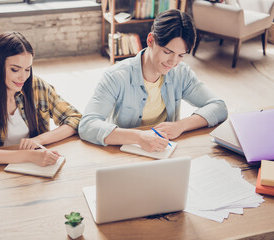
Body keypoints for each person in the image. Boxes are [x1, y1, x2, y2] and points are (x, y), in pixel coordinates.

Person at [78, 9, 227, 152]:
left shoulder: (181, 72)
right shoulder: (116, 76)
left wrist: (180, 125)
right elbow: (87, 125)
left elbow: (218, 106)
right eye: (167, 52)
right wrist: (139, 137)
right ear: (150, 40)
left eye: (181, 55)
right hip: (124, 152)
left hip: (163, 151)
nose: (173, 62)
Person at [0, 31, 81, 166]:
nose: (23, 77)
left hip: (35, 167)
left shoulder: (36, 87)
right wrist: (28, 156)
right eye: (15, 70)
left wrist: (38, 140)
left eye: (27, 69)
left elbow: (76, 119)